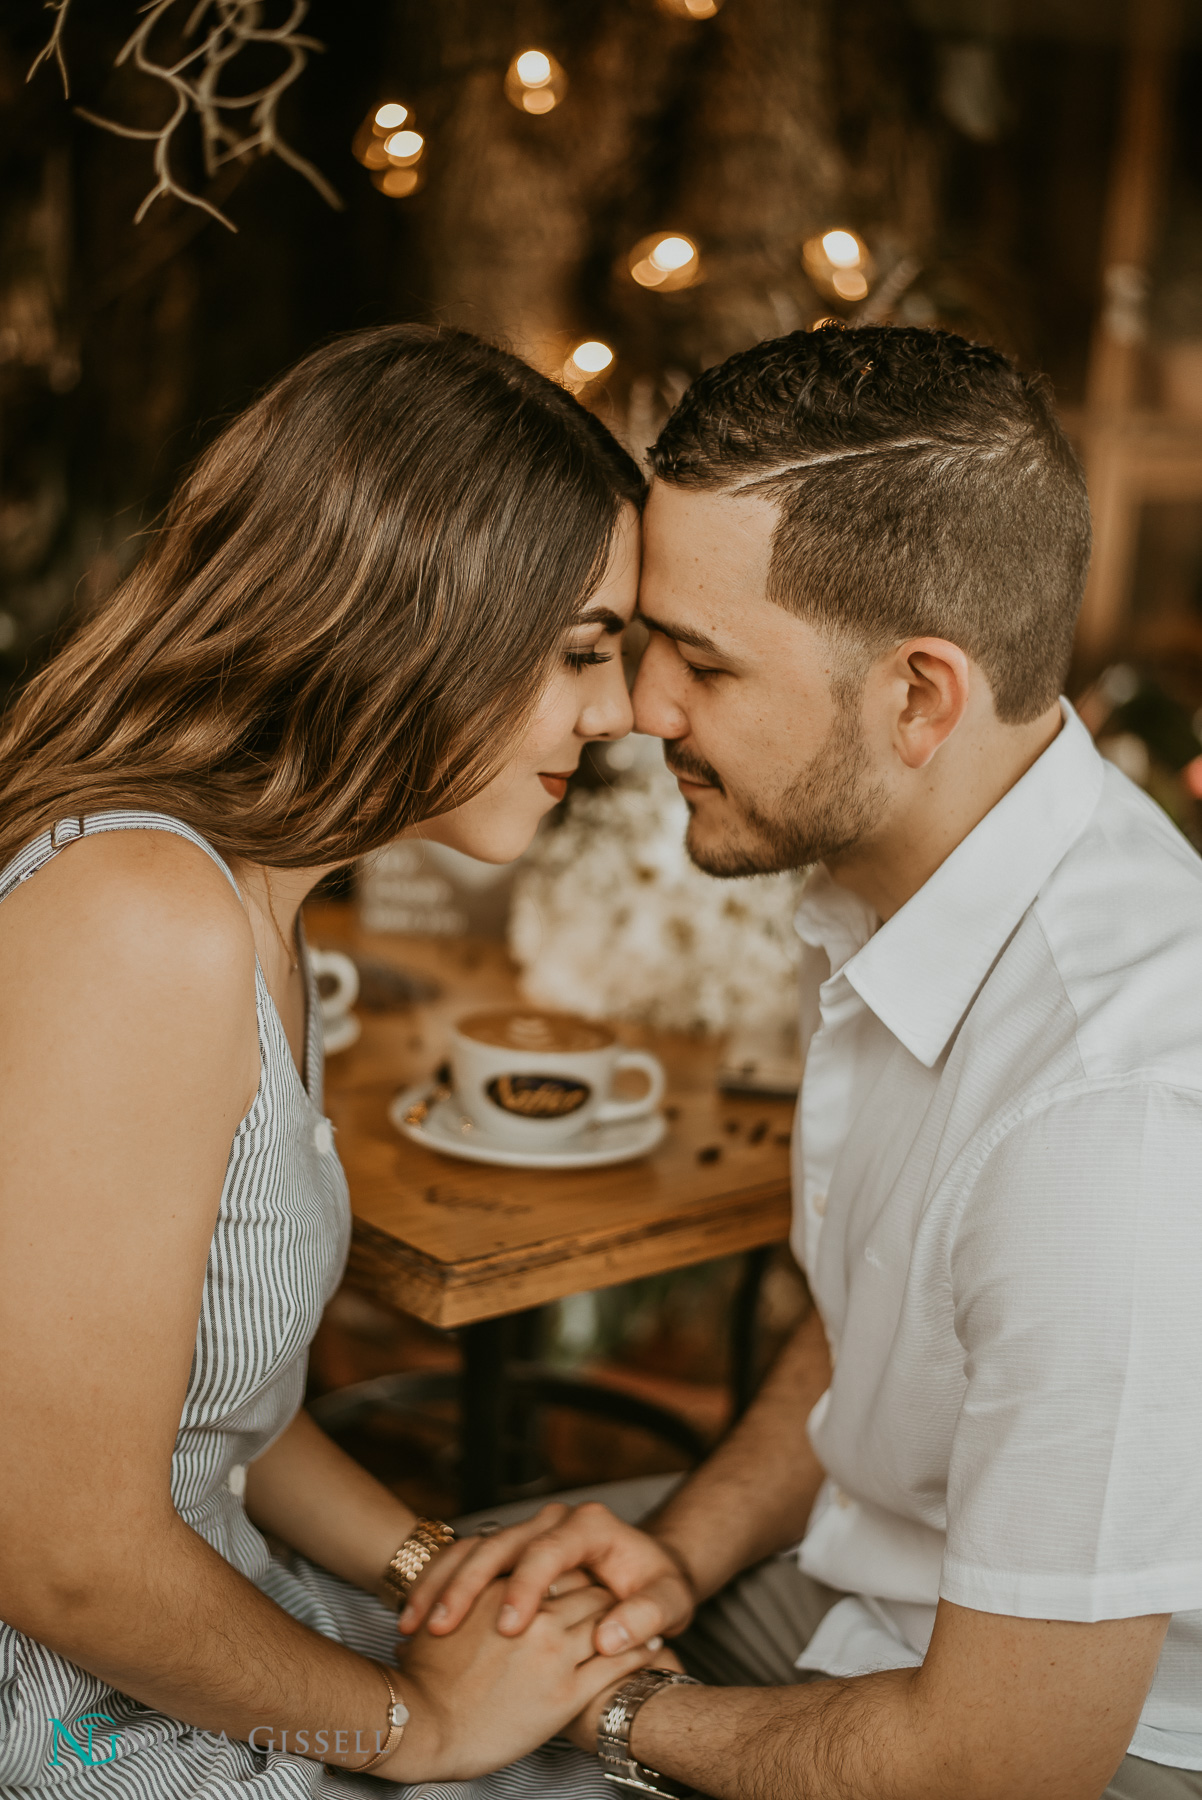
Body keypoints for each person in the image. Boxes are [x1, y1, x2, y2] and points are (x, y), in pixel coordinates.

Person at [401, 327, 1202, 1800]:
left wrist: (606, 1714)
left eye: (699, 662)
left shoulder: (1113, 1127)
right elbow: (884, 1321)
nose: (641, 710)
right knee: (437, 1612)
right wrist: (676, 1553)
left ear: (917, 698)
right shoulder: (915, 882)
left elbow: (998, 1762)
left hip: (1069, 1752)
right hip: (849, 1606)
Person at [0, 323, 665, 1795]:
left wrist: (449, 1577)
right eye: (576, 654)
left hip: (208, 1611)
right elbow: (59, 1560)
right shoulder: (138, 917)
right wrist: (412, 1728)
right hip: (67, 1715)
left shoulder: (262, 913)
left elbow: (229, 1413)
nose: (614, 716)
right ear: (416, 615)